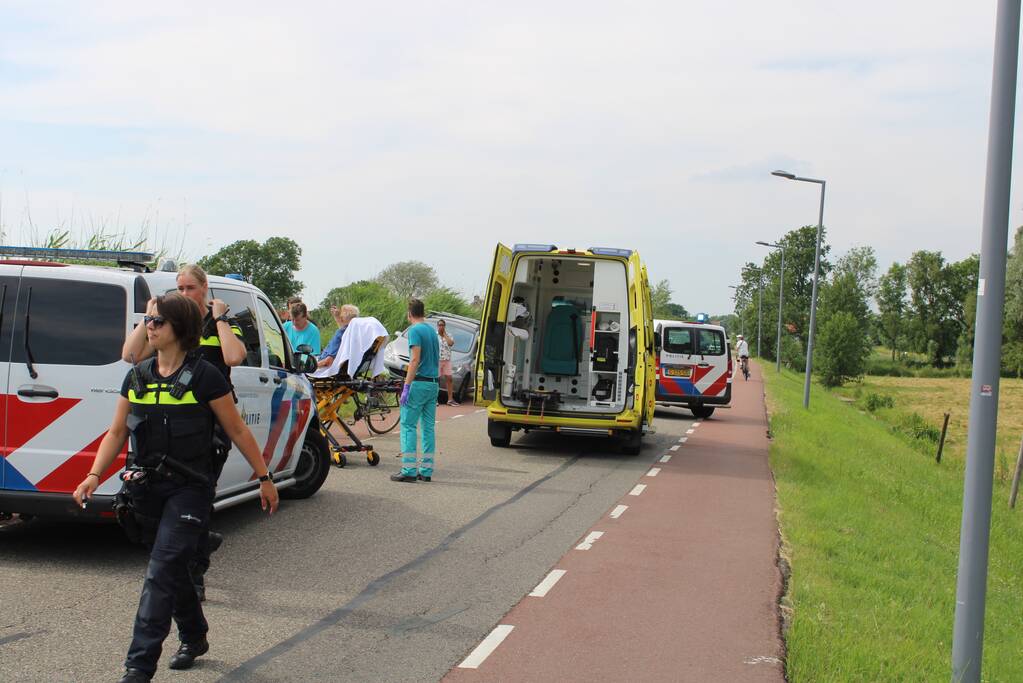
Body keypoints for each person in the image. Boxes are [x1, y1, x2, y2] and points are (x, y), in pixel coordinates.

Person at [75, 293, 278, 683]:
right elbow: (117, 432)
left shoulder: (206, 377)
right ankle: (195, 635)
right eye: (147, 321)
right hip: (147, 489)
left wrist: (265, 478)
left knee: (161, 570)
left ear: (180, 329)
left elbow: (236, 429)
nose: (149, 327)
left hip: (190, 489)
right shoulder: (136, 376)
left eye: (156, 322)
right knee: (173, 570)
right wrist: (94, 475)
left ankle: (138, 669)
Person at [122, 264, 247, 602]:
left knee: (199, 494)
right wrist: (148, 317)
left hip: (211, 425)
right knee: (171, 500)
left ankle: (194, 572)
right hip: (173, 422)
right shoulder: (167, 323)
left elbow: (234, 357)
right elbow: (130, 355)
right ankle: (198, 542)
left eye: (190, 287)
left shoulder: (219, 321)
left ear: (206, 288)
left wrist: (220, 319)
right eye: (180, 288)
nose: (184, 294)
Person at [392, 298, 440, 483]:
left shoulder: (415, 330)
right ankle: (426, 471)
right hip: (433, 383)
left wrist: (406, 386)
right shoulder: (431, 330)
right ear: (423, 312)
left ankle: (409, 470)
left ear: (409, 314)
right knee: (428, 428)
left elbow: (414, 360)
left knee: (408, 426)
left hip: (418, 384)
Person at [317, 304, 359, 368]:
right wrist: (336, 317)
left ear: (342, 318)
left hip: (324, 362)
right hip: (348, 364)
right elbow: (343, 328)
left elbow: (328, 361)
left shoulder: (340, 334)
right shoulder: (355, 332)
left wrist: (313, 366)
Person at [436, 319, 458, 406]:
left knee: (449, 378)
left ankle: (450, 399)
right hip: (438, 359)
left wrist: (444, 334)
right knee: (436, 379)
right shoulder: (435, 335)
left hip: (447, 359)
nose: (441, 327)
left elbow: (451, 343)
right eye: (439, 325)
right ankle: (434, 400)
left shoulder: (449, 335)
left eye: (442, 325)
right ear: (437, 326)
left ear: (445, 326)